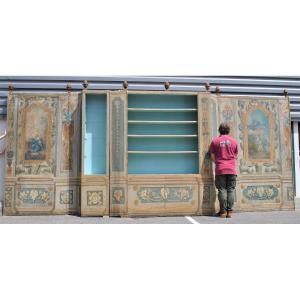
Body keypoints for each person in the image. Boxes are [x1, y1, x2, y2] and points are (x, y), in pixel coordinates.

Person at [209, 123, 238, 218]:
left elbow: (212, 157)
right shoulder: (234, 141)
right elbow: (236, 155)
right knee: (231, 190)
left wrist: (219, 163)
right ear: (228, 131)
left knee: (222, 190)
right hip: (232, 169)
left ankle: (223, 212)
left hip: (220, 169)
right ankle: (230, 212)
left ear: (219, 130)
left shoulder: (215, 141)